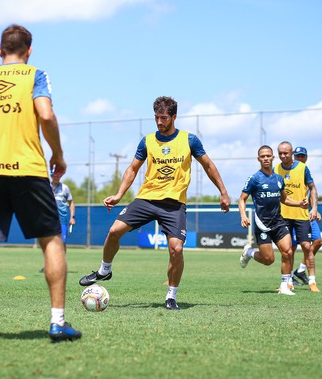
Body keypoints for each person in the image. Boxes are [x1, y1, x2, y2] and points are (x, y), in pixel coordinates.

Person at [0, 24, 81, 342]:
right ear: (29, 50)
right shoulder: (35, 75)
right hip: (29, 170)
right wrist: (59, 155)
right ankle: (57, 321)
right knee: (51, 241)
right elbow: (47, 116)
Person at [78, 96, 231, 310]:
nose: (159, 122)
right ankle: (105, 270)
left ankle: (171, 296)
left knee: (176, 249)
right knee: (114, 231)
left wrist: (223, 192)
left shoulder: (190, 140)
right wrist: (119, 195)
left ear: (174, 117)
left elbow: (208, 165)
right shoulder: (148, 141)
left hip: (174, 204)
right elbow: (133, 169)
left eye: (164, 118)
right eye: (157, 117)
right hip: (147, 199)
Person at [238, 146, 308, 295]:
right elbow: (242, 199)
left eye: (268, 156)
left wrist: (299, 203)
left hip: (279, 222)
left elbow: (285, 199)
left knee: (288, 252)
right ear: (258, 159)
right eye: (262, 156)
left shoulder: (278, 179)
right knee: (269, 260)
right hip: (262, 225)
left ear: (272, 158)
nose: (266, 158)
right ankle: (249, 252)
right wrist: (243, 215)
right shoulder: (254, 179)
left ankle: (284, 286)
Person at [274, 141, 320, 292]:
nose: (283, 156)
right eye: (280, 153)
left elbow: (312, 188)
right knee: (287, 250)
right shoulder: (276, 169)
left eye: (286, 153)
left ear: (291, 153)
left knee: (307, 246)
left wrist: (314, 208)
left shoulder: (303, 168)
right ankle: (287, 282)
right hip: (283, 216)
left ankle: (312, 281)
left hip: (301, 215)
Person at [291, 146, 322, 285]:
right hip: (291, 214)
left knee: (318, 241)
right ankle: (288, 278)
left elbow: (311, 191)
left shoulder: (305, 172)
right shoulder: (289, 171)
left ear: (306, 157)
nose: (300, 158)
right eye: (297, 156)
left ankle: (301, 269)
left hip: (305, 214)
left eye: (302, 156)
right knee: (291, 248)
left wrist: (315, 209)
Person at [39, 174, 75, 272]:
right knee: (48, 241)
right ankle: (48, 265)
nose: (56, 176)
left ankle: (61, 265)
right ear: (51, 175)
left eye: (57, 174)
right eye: (54, 174)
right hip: (49, 219)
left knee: (62, 242)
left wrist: (72, 217)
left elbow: (71, 203)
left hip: (62, 219)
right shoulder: (47, 187)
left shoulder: (65, 188)